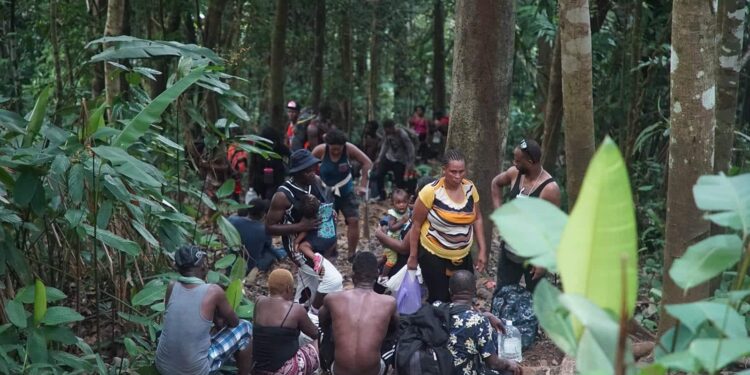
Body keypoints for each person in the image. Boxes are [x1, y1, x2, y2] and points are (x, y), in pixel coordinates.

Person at [156, 245, 253, 375]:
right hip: (194, 371)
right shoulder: (213, 291)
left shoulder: (172, 286)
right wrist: (218, 317)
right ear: (203, 267)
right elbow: (234, 323)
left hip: (163, 366)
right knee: (245, 327)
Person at [266, 149, 344, 311]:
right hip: (298, 248)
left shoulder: (314, 181)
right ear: (297, 173)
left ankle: (298, 320)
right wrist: (301, 226)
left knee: (308, 290)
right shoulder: (283, 195)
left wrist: (330, 212)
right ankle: (315, 315)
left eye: (313, 168)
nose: (312, 173)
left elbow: (320, 204)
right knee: (333, 280)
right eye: (307, 171)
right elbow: (269, 228)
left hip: (319, 239)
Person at [407, 150, 487, 303]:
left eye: (461, 171)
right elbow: (416, 225)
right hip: (433, 254)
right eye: (453, 172)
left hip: (462, 255)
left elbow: (477, 219)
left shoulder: (470, 188)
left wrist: (482, 250)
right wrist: (412, 256)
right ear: (444, 170)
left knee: (463, 297)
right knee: (439, 298)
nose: (458, 176)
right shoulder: (430, 192)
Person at [490, 139, 560, 292]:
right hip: (509, 250)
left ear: (530, 161)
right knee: (502, 293)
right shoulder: (515, 174)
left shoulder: (549, 189)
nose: (514, 164)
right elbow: (496, 183)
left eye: (518, 161)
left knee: (534, 299)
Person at [319, 252, 399, 375]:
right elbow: (395, 329)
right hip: (374, 371)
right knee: (393, 335)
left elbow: (322, 324)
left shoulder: (332, 299)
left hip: (338, 370)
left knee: (323, 331)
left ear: (352, 275)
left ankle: (325, 368)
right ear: (377, 275)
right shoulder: (389, 302)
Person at [443, 270, 522, 375]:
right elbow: (493, 363)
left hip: (438, 368)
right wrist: (509, 363)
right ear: (474, 290)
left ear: (449, 291)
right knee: (508, 371)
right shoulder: (479, 321)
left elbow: (462, 314)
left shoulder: (438, 310)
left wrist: (486, 315)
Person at [311, 129, 372, 260]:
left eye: (339, 149)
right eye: (333, 149)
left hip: (346, 192)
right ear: (328, 146)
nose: (336, 152)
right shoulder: (320, 150)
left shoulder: (349, 149)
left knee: (353, 220)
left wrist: (363, 184)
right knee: (328, 223)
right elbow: (308, 166)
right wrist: (312, 182)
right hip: (326, 193)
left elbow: (367, 162)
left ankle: (351, 254)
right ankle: (330, 253)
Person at [252, 269, 320, 375]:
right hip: (283, 370)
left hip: (258, 368)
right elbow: (315, 333)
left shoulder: (259, 301)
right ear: (288, 288)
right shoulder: (295, 309)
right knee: (319, 342)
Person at [228, 199, 287, 273]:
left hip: (231, 264)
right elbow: (269, 247)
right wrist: (280, 255)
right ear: (263, 213)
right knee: (271, 253)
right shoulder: (264, 230)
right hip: (251, 268)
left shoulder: (232, 220)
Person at [293, 194, 336, 273]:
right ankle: (325, 262)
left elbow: (305, 230)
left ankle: (315, 259)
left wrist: (297, 241)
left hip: (322, 238)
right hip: (332, 238)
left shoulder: (313, 217)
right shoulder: (327, 207)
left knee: (302, 246)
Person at [374, 119, 415, 200]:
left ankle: (400, 198)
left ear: (392, 127)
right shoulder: (387, 134)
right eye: (385, 129)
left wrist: (410, 164)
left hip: (400, 160)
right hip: (389, 157)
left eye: (388, 129)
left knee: (399, 181)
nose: (386, 131)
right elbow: (385, 145)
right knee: (379, 175)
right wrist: (379, 158)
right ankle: (382, 195)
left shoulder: (402, 134)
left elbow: (410, 149)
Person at [250, 126, 291, 200]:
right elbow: (252, 166)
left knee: (272, 195)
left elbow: (290, 156)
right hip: (261, 177)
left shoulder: (279, 146)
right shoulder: (258, 147)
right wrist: (251, 185)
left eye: (274, 143)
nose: (273, 145)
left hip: (277, 176)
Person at [378, 188, 410, 280]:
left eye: (404, 202)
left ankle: (377, 267)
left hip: (397, 240)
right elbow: (391, 228)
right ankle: (383, 277)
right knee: (392, 260)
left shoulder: (407, 210)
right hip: (391, 240)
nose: (402, 205)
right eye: (398, 203)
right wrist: (402, 222)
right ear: (393, 204)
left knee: (385, 258)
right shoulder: (393, 214)